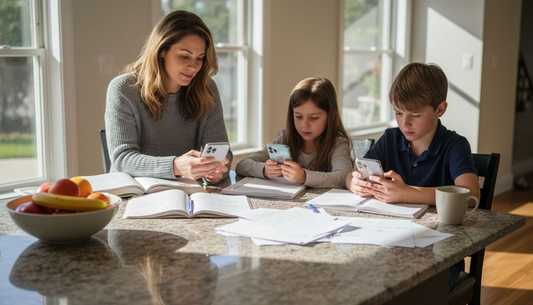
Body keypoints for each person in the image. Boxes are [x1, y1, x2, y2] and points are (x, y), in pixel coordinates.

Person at [345, 62, 480, 291]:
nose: (404, 123)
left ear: (440, 109)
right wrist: (354, 182)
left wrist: (408, 193)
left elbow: (470, 195)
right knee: (355, 278)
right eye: (398, 113)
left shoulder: (454, 145)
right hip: (389, 245)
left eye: (415, 115)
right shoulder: (390, 139)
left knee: (409, 291)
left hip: (441, 257)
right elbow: (353, 174)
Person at [105, 10, 231, 183]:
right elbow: (122, 160)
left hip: (185, 192)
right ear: (162, 51)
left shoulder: (207, 89)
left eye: (200, 58)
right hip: (134, 193)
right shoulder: (124, 89)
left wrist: (215, 172)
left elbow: (222, 152)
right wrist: (176, 166)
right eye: (184, 56)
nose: (193, 67)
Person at [236, 77, 353, 189]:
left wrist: (304, 177)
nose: (304, 125)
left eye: (313, 118)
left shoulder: (338, 143)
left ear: (330, 115)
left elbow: (343, 177)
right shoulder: (285, 138)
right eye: (298, 116)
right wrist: (264, 170)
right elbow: (242, 165)